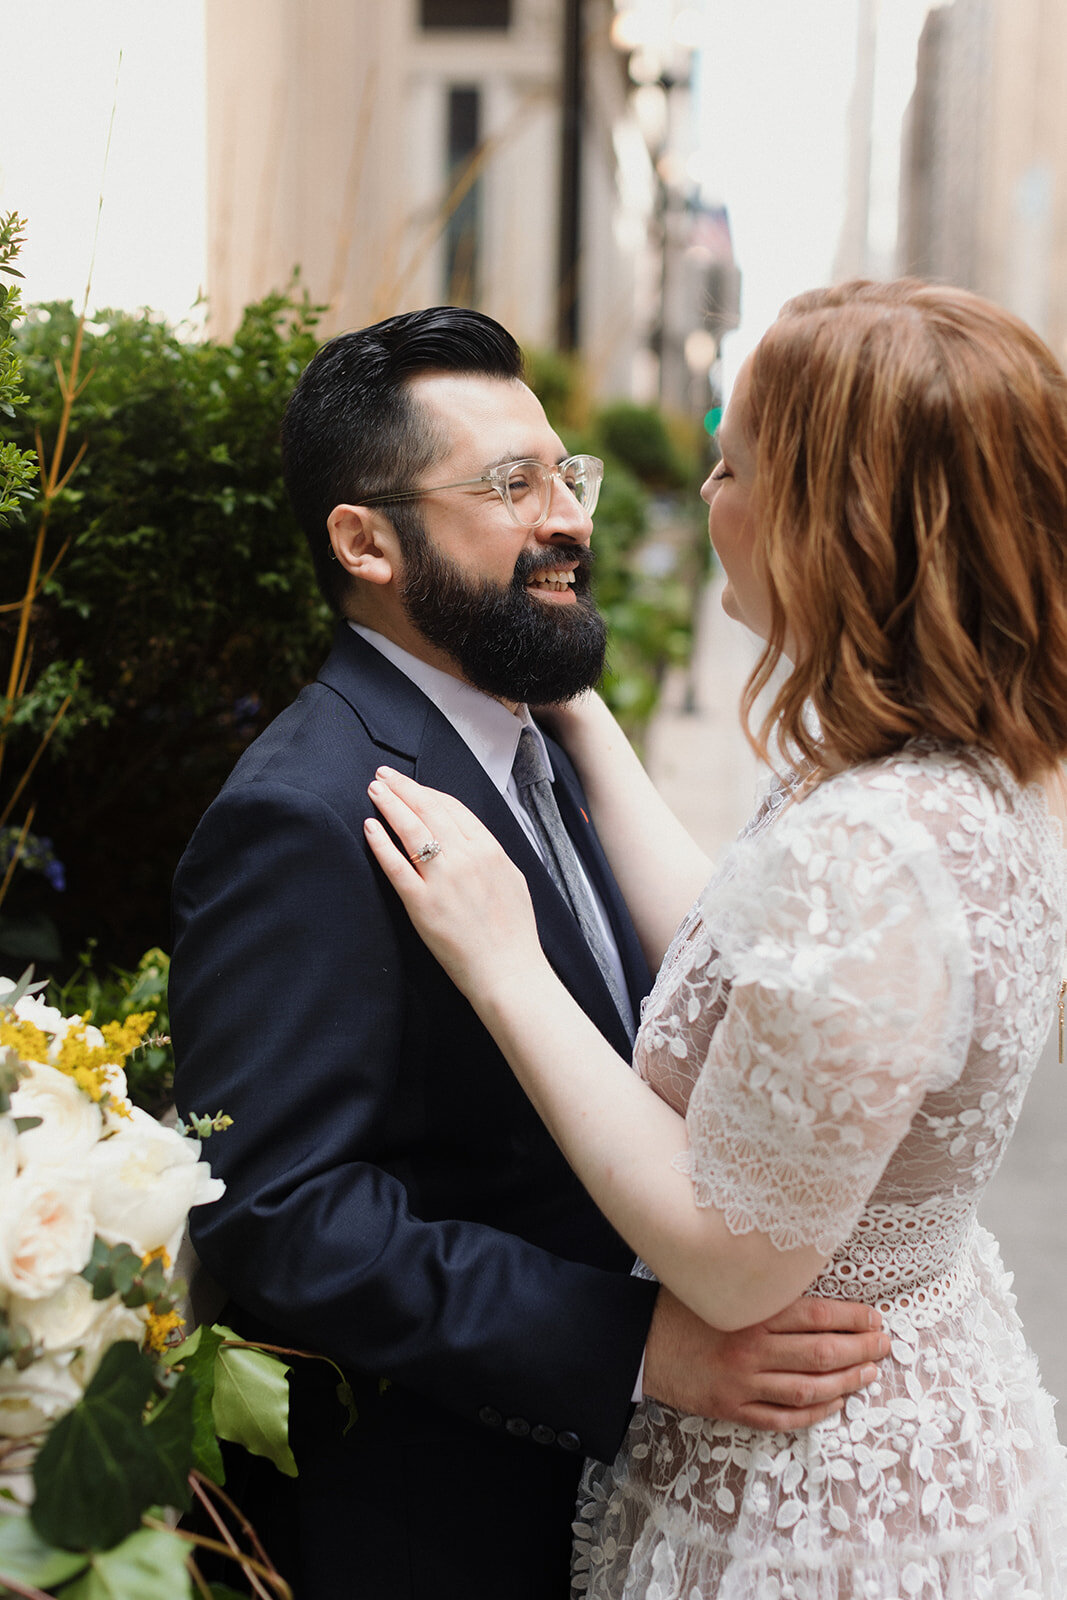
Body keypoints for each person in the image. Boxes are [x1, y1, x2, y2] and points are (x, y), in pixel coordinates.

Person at [169, 306, 887, 1600]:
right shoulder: (308, 810)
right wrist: (636, 1349)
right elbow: (280, 1212)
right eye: (511, 485)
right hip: (436, 1523)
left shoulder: (538, 728)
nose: (568, 517)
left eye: (568, 473)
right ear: (365, 541)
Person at [365, 280, 1067, 1598]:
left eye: (734, 464)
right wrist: (580, 715)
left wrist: (505, 962)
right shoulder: (942, 776)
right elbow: (768, 986)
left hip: (818, 1490)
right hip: (892, 1402)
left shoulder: (880, 847)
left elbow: (730, 1254)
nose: (706, 496)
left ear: (840, 521)